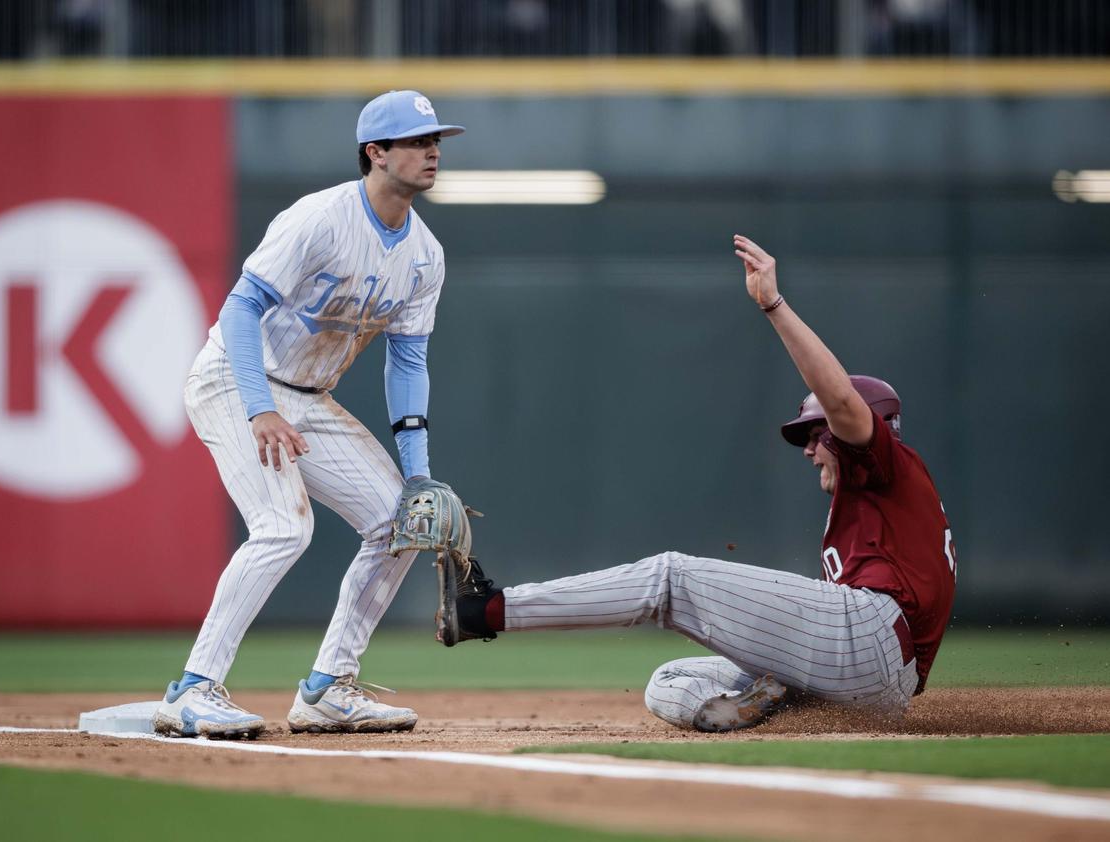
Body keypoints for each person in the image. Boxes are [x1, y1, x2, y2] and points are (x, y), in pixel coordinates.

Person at [441, 235, 957, 732]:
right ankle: (745, 715)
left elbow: (843, 402)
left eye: (815, 435)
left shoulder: (887, 462)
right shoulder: (883, 499)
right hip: (876, 683)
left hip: (869, 640)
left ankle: (486, 611)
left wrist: (773, 304)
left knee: (669, 578)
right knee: (670, 679)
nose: (807, 448)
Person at [153, 90, 464, 738]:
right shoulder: (320, 219)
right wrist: (260, 410)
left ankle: (326, 689)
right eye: (416, 141)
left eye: (436, 140)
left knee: (398, 522)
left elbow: (406, 365)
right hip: (234, 378)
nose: (432, 151)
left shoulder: (425, 255)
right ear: (375, 153)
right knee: (282, 527)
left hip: (309, 397)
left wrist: (418, 475)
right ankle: (191, 689)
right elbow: (240, 309)